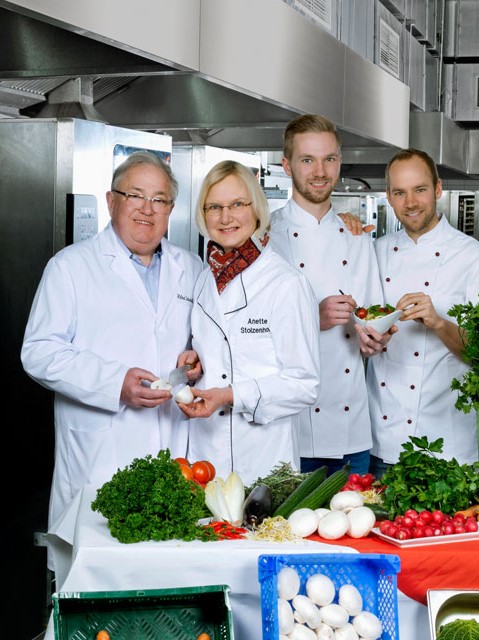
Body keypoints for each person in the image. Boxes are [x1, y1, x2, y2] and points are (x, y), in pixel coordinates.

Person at [21, 152, 204, 563]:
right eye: (135, 195)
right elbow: (38, 351)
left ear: (171, 209)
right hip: (99, 455)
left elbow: (199, 341)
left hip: (174, 454)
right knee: (94, 581)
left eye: (159, 199)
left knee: (166, 579)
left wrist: (197, 360)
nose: (147, 209)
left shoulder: (191, 268)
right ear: (111, 200)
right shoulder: (70, 267)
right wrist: (114, 382)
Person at [176, 160, 321, 485]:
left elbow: (304, 385)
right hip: (206, 451)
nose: (225, 217)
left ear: (256, 209)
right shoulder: (204, 278)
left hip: (263, 455)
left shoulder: (286, 283)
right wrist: (196, 362)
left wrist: (230, 395)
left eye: (237, 204)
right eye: (214, 207)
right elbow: (222, 351)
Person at [366, 148, 479, 476]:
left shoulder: (476, 259)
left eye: (420, 190)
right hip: (381, 443)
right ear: (389, 196)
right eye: (400, 192)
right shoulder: (374, 253)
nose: (410, 202)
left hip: (447, 450)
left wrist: (439, 323)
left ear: (438, 189)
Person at [267, 114, 389, 475]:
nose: (320, 171)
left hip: (351, 430)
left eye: (329, 159)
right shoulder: (264, 237)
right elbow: (249, 334)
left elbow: (374, 320)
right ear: (287, 166)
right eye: (307, 160)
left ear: (339, 162)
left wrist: (376, 339)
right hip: (289, 430)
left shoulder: (357, 237)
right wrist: (313, 318)